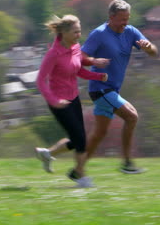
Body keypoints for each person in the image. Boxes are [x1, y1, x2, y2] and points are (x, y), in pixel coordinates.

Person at [81, 0, 158, 174]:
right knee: (132, 117)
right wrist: (94, 61)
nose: (125, 23)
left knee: (99, 134)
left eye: (127, 18)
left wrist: (148, 47)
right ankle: (127, 163)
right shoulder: (99, 34)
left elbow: (154, 52)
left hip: (112, 90)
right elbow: (80, 57)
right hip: (100, 88)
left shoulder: (130, 32)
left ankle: (78, 168)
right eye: (122, 19)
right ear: (111, 17)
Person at [34, 14, 109, 188]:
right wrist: (53, 100)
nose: (78, 35)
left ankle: (47, 153)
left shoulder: (75, 48)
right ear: (65, 33)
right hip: (58, 102)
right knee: (81, 140)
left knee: (77, 139)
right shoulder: (53, 54)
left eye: (79, 31)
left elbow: (79, 70)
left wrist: (97, 75)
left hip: (74, 98)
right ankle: (80, 176)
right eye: (75, 32)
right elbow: (40, 81)